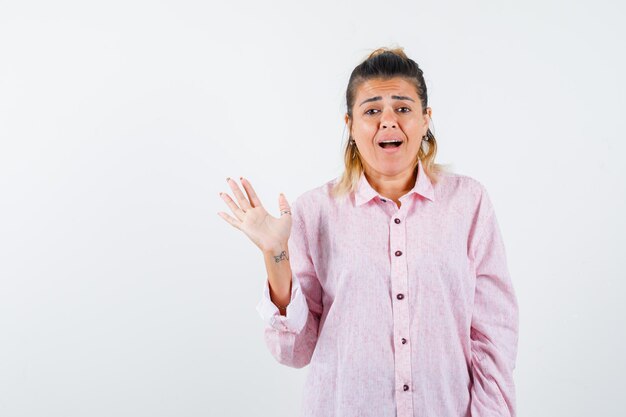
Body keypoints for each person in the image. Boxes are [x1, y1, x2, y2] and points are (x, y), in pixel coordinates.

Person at [217, 46, 519, 417]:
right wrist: (275, 254)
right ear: (350, 125)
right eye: (372, 110)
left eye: (403, 109)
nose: (388, 121)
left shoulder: (468, 203)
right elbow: (294, 352)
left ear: (426, 120)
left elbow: (494, 335)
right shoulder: (314, 211)